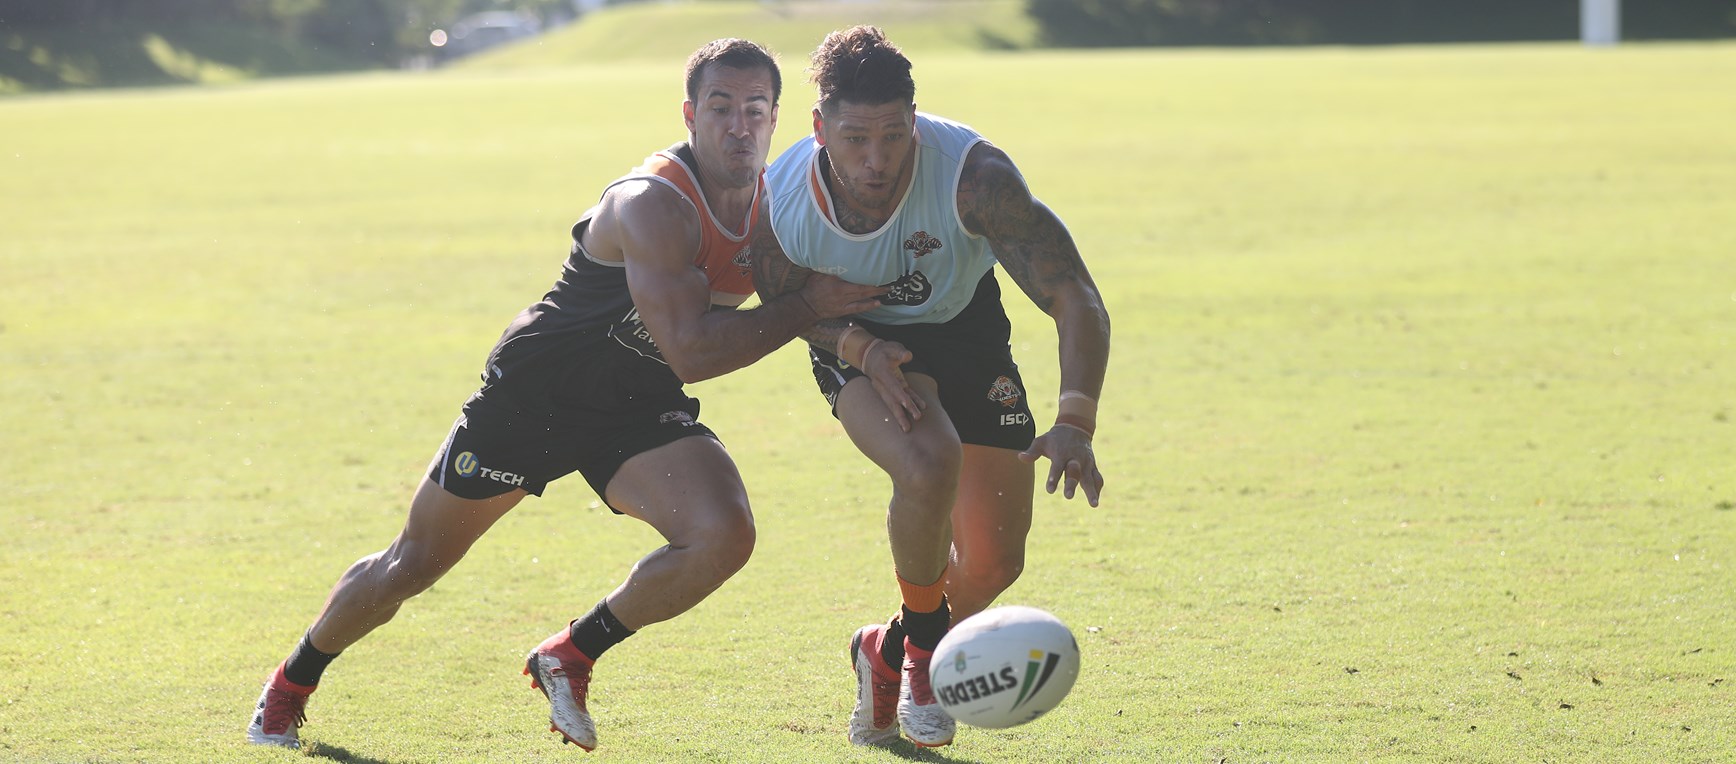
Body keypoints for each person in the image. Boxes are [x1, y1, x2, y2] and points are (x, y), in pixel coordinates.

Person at [247, 38, 885, 751]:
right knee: (414, 563)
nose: (740, 125)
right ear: (689, 113)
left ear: (777, 120)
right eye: (721, 107)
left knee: (723, 535)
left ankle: (570, 654)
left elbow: (792, 296)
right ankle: (291, 684)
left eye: (756, 110)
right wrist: (809, 308)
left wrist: (863, 345)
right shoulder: (654, 205)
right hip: (537, 392)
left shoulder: (778, 203)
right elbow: (697, 349)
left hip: (634, 396)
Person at [751, 26, 1111, 748]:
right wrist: (861, 346)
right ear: (820, 127)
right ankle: (920, 664)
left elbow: (1074, 295)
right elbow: (782, 307)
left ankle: (881, 650)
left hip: (965, 324)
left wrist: (1077, 419)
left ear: (914, 120)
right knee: (927, 459)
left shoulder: (974, 181)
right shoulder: (783, 199)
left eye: (893, 135)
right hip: (850, 334)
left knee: (993, 562)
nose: (876, 160)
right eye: (855, 138)